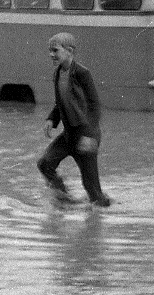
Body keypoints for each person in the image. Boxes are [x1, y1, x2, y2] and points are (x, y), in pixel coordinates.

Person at [37, 32, 111, 207]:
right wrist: (51, 120)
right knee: (45, 164)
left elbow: (94, 105)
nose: (51, 55)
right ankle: (64, 199)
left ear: (69, 51)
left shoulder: (82, 73)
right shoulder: (57, 74)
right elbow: (60, 103)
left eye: (55, 50)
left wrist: (90, 136)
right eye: (50, 51)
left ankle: (103, 214)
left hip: (85, 135)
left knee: (92, 189)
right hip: (69, 134)